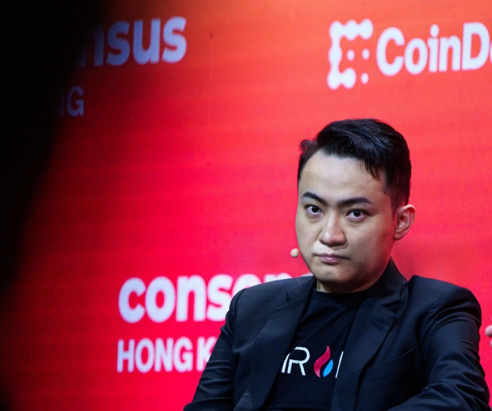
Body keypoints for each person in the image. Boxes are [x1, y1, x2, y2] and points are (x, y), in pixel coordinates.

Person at [185, 119, 490, 410]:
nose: (330, 235)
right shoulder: (252, 307)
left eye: (355, 213)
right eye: (314, 209)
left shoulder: (436, 309)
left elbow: (462, 398)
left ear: (400, 221)